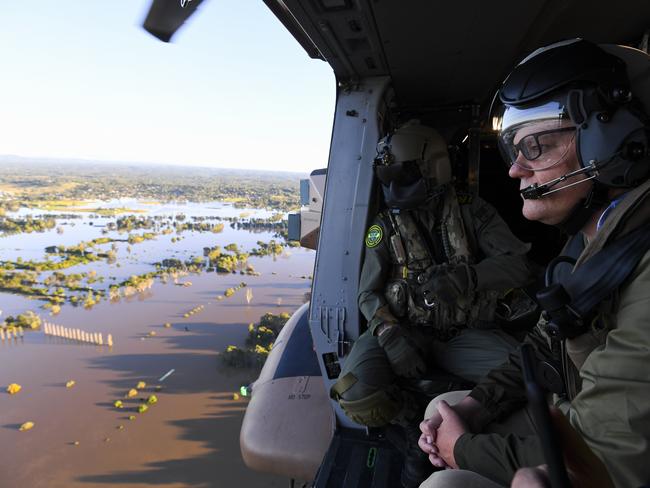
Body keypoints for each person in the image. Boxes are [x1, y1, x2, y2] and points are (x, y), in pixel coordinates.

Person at [418, 39, 650, 488]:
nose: (515, 170)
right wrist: (475, 408)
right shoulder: (597, 245)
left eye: (537, 146)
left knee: (446, 485)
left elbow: (610, 459)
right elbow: (544, 348)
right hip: (580, 412)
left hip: (611, 456)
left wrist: (460, 448)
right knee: (444, 407)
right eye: (515, 150)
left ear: (616, 142)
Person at [329, 120, 536, 487]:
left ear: (434, 170)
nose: (395, 188)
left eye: (404, 176)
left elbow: (517, 265)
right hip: (405, 330)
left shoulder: (474, 213)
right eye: (388, 177)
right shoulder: (384, 228)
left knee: (532, 376)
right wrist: (389, 332)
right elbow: (368, 293)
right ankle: (413, 428)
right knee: (356, 390)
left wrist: (467, 278)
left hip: (466, 333)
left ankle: (477, 441)